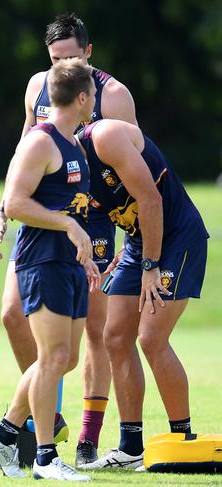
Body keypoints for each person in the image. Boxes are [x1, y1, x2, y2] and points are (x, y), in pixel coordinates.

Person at [0, 12, 138, 466]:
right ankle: (35, 422)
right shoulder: (40, 87)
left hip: (92, 222)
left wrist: (134, 234)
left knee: (93, 330)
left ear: (88, 53)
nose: (63, 65)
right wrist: (1, 209)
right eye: (56, 58)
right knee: (14, 314)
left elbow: (134, 165)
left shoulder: (112, 94)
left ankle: (86, 438)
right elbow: (24, 150)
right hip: (44, 221)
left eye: (72, 56)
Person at [0, 58, 98, 482]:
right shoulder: (41, 141)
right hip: (40, 259)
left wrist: (85, 253)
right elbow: (15, 203)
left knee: (63, 359)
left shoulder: (76, 144)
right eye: (92, 95)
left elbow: (76, 208)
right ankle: (46, 457)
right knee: (52, 357)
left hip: (69, 264)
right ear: (83, 97)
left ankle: (5, 432)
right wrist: (67, 225)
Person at [75, 120, 208, 470]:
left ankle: (183, 440)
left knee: (151, 338)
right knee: (115, 337)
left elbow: (150, 199)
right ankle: (130, 446)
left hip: (177, 238)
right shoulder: (67, 171)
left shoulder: (104, 138)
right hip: (138, 244)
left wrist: (150, 265)